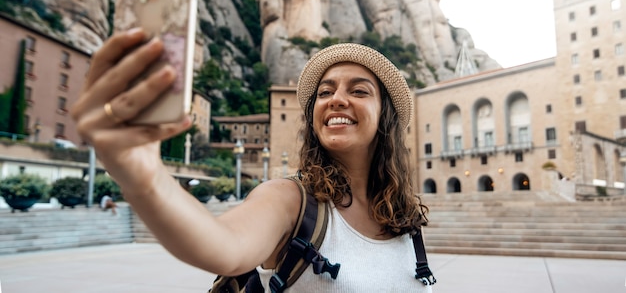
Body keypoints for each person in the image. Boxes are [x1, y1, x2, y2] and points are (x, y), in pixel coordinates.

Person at [71, 29, 434, 291]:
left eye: (358, 91)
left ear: (385, 117)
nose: (336, 99)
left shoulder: (405, 220)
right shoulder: (290, 200)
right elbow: (224, 245)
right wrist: (145, 177)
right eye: (325, 92)